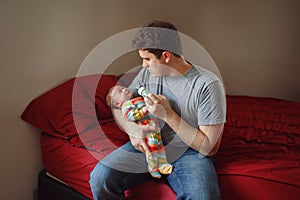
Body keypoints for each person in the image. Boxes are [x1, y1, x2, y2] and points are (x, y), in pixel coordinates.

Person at [90, 20, 226, 200]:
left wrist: (168, 115)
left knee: (204, 196)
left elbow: (210, 147)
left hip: (189, 152)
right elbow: (120, 107)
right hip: (150, 145)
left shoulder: (207, 85)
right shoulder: (147, 74)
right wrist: (133, 130)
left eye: (147, 59)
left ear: (166, 56)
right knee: (100, 179)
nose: (143, 65)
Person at [105, 85, 173, 178]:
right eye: (120, 91)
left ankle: (163, 165)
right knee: (152, 149)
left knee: (160, 146)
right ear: (117, 104)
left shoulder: (137, 99)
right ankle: (153, 168)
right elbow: (129, 116)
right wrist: (143, 111)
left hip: (154, 127)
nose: (125, 89)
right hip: (146, 131)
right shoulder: (126, 105)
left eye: (123, 87)